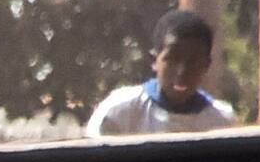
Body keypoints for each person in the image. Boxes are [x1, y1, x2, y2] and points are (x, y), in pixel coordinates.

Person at [90, 9, 240, 137]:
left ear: (206, 66)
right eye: (172, 59)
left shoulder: (221, 122)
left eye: (193, 62)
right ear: (154, 60)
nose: (182, 71)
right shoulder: (120, 112)